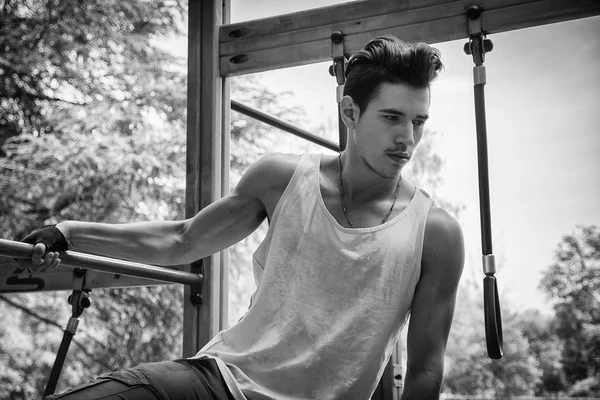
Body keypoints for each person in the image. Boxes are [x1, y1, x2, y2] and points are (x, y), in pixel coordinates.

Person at [20, 35, 464, 400]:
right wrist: (69, 232)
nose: (407, 138)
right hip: (221, 381)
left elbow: (425, 368)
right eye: (392, 117)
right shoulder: (283, 179)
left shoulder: (435, 233)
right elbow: (181, 240)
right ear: (350, 112)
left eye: (418, 122)